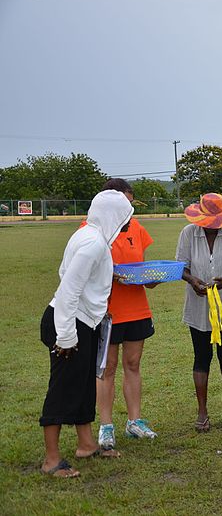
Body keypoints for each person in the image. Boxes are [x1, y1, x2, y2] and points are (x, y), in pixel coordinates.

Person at [40, 190, 133, 477]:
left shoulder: (95, 239)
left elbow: (84, 282)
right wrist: (66, 337)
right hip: (67, 324)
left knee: (83, 386)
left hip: (85, 321)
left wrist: (97, 311)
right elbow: (68, 291)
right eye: (125, 216)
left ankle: (87, 444)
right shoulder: (93, 243)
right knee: (63, 388)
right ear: (111, 216)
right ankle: (51, 460)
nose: (129, 222)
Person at [94, 179, 158, 451]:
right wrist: (112, 274)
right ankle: (105, 426)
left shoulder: (137, 228)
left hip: (136, 308)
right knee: (107, 368)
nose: (129, 210)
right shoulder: (92, 230)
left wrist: (150, 278)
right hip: (106, 311)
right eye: (125, 204)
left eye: (131, 204)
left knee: (133, 364)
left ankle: (135, 421)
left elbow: (139, 267)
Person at [176, 193, 222, 432]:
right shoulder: (188, 233)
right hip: (198, 306)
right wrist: (193, 280)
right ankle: (202, 411)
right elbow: (181, 267)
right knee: (201, 356)